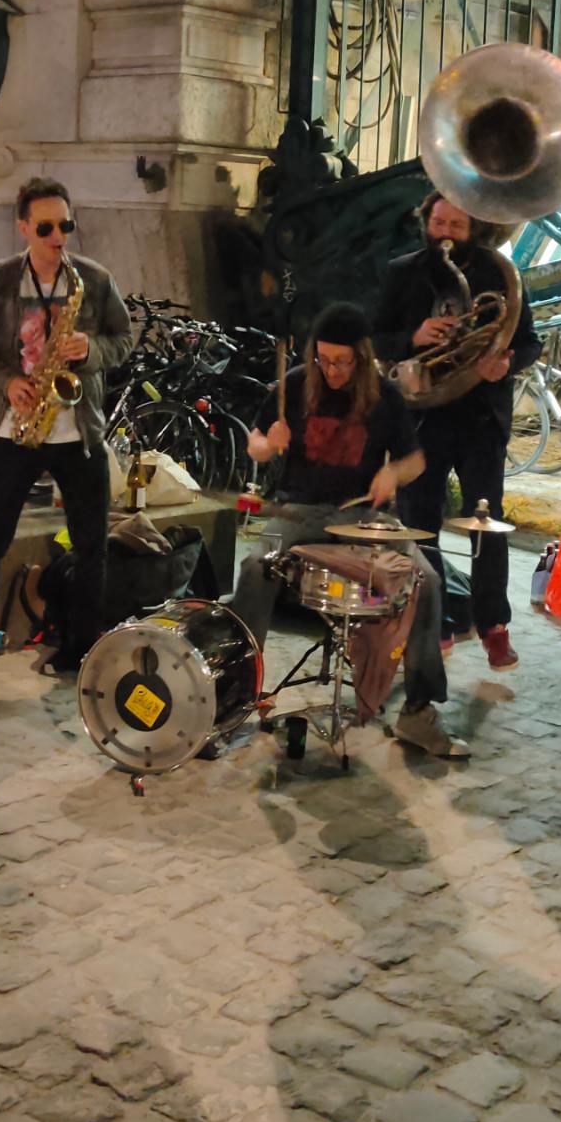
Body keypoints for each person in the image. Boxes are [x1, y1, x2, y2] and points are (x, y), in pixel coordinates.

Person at [226, 302, 468, 758]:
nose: (332, 370)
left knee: (427, 581)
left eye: (341, 361)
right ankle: (235, 693)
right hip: (299, 512)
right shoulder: (296, 383)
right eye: (324, 359)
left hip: (361, 518)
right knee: (255, 567)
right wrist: (267, 444)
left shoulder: (384, 396)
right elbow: (254, 443)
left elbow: (415, 460)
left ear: (360, 356)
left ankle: (418, 713)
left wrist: (393, 473)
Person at [0, 179, 134, 687]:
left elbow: (124, 339)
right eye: (45, 227)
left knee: (92, 546)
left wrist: (91, 349)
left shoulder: (93, 279)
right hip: (15, 430)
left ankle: (80, 647)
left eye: (65, 225)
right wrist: (5, 382)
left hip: (78, 432)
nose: (58, 237)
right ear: (23, 227)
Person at [373, 190, 539, 670]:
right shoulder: (402, 272)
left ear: (473, 230)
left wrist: (505, 362)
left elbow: (530, 343)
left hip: (480, 417)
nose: (444, 233)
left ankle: (494, 627)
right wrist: (413, 337)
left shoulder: (500, 274)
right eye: (438, 223)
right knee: (418, 523)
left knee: (487, 524)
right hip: (422, 417)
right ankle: (435, 621)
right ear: (425, 221)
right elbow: (376, 338)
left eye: (456, 226)